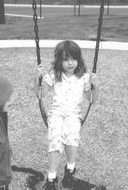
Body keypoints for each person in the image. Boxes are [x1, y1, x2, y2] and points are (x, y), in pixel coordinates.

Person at [36, 40, 99, 190]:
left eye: (73, 59)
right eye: (65, 59)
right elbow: (40, 94)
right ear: (59, 61)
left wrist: (96, 86)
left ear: (79, 59)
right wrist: (36, 78)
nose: (70, 63)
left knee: (72, 141)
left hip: (73, 115)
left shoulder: (84, 77)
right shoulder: (54, 75)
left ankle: (69, 174)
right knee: (55, 143)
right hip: (56, 115)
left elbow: (91, 99)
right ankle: (51, 180)